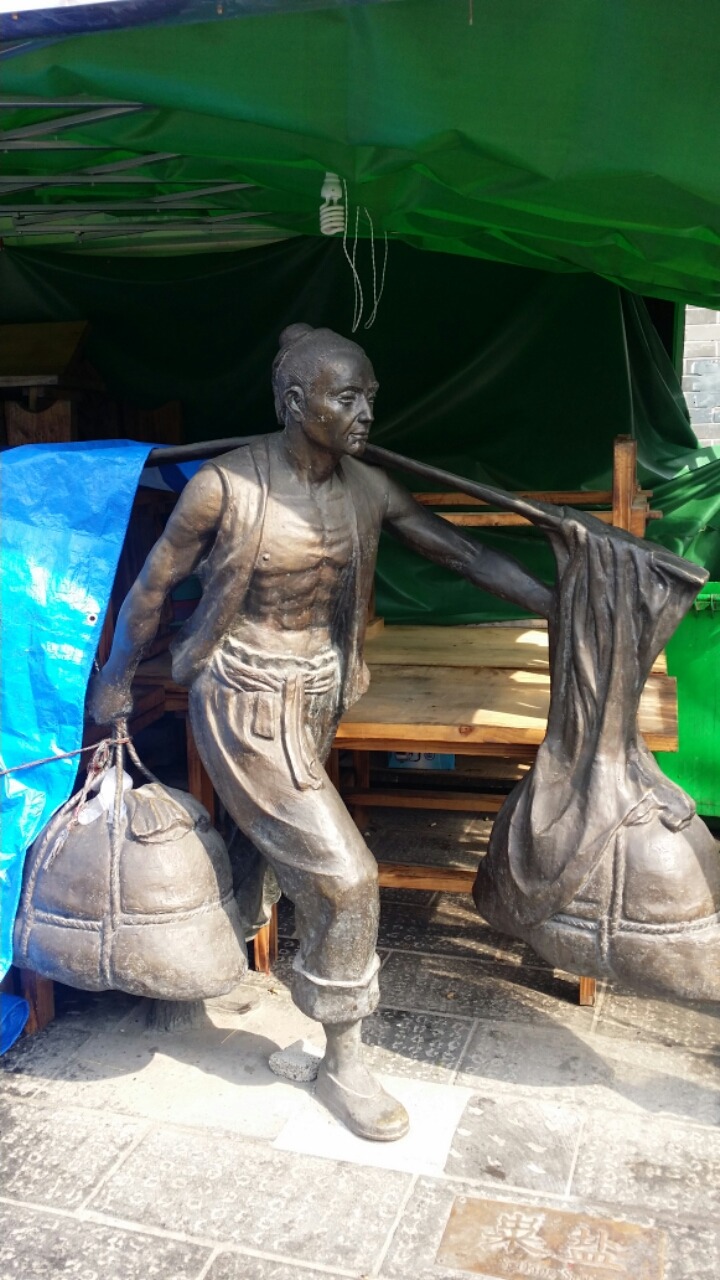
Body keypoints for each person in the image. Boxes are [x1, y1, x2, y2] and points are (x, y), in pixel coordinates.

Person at [91, 323, 551, 1141]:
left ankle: (184, 976)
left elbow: (460, 555)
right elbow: (153, 587)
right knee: (346, 876)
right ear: (295, 402)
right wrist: (116, 680)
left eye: (370, 396)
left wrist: (556, 601)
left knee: (259, 844)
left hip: (319, 692)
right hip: (244, 694)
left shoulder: (367, 487)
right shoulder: (226, 488)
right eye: (348, 397)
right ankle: (344, 1057)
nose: (366, 411)